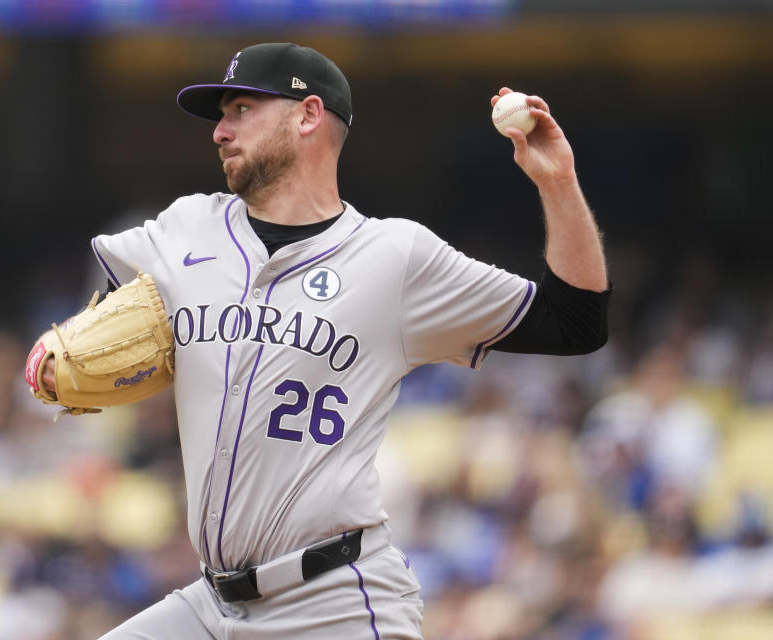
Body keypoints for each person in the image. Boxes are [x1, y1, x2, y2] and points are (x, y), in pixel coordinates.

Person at [38, 42, 610, 639]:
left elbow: (576, 321)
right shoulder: (187, 227)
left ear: (308, 115)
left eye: (241, 109)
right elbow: (85, 323)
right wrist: (46, 363)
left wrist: (560, 183)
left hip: (333, 603)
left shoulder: (395, 257)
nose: (220, 131)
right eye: (221, 115)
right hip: (213, 604)